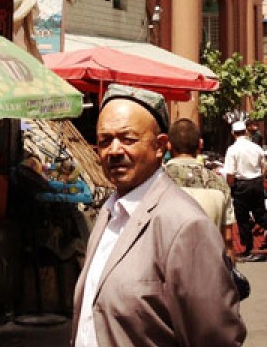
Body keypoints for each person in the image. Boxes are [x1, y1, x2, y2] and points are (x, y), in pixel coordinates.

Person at [72, 84, 246, 346]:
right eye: (105, 141)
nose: (115, 151)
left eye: (128, 139)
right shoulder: (109, 212)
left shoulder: (185, 225)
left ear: (160, 146)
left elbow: (216, 338)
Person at [165, 117, 238, 262]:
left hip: (166, 272)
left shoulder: (156, 181)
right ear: (200, 143)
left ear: (168, 145)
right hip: (210, 270)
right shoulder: (219, 184)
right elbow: (228, 239)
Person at [224, 114, 267, 262]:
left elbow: (230, 174)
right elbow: (265, 167)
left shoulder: (232, 150)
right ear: (245, 132)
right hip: (256, 182)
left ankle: (248, 248)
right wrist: (259, 178)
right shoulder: (256, 147)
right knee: (260, 213)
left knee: (243, 218)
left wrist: (231, 187)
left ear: (233, 134)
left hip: (242, 184)